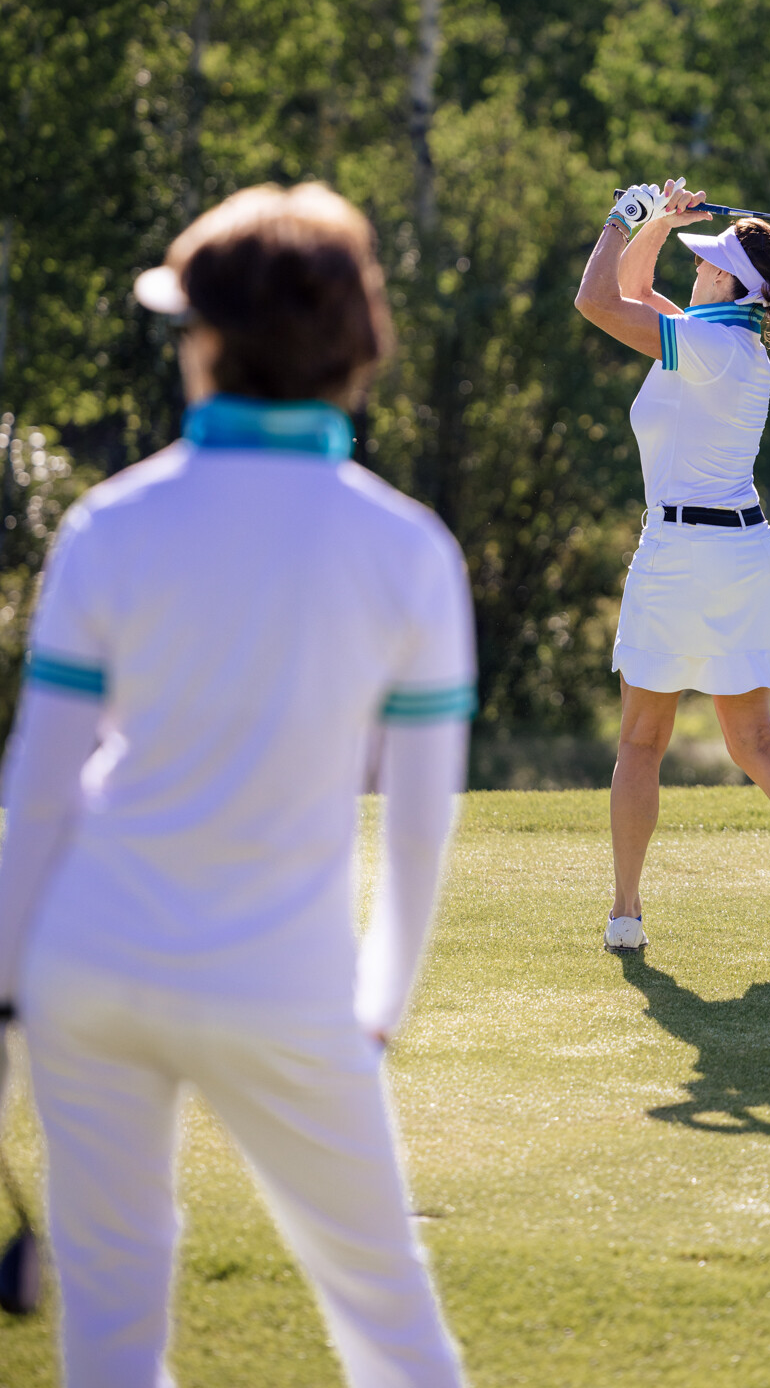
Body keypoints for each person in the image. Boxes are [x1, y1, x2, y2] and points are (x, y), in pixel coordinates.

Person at [0, 184, 476, 1388]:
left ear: (210, 341)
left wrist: (4, 992)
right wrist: (382, 999)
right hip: (286, 981)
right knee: (391, 1326)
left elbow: (41, 790)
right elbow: (421, 824)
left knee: (111, 1339)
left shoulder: (109, 523)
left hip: (90, 962)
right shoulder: (410, 548)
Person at [575, 176, 770, 960]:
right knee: (754, 742)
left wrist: (621, 219)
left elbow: (599, 302)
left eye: (707, 260)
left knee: (642, 740)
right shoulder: (718, 340)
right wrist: (659, 221)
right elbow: (635, 290)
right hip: (740, 552)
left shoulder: (706, 346)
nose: (698, 266)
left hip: (683, 551)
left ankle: (625, 913)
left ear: (730, 283)